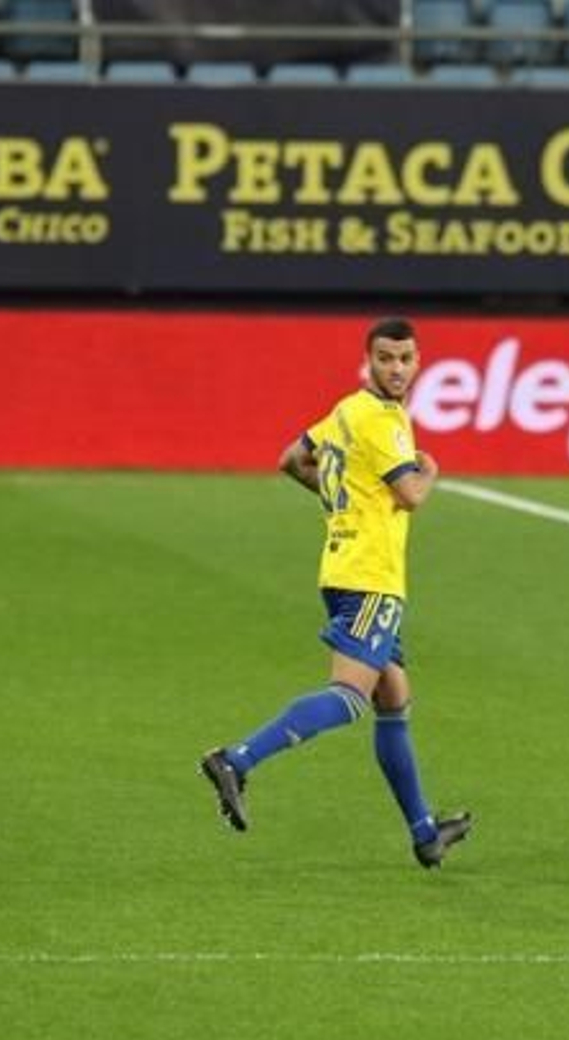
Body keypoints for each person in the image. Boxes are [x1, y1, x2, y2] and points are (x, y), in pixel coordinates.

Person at [199, 317, 472, 869]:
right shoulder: (384, 421)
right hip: (371, 576)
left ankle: (424, 832)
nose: (397, 369)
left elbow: (290, 459)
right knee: (350, 695)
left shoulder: (347, 410)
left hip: (343, 568)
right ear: (368, 360)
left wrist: (340, 503)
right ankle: (236, 759)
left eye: (406, 358)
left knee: (392, 697)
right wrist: (432, 470)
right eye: (387, 359)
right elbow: (411, 493)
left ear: (419, 362)